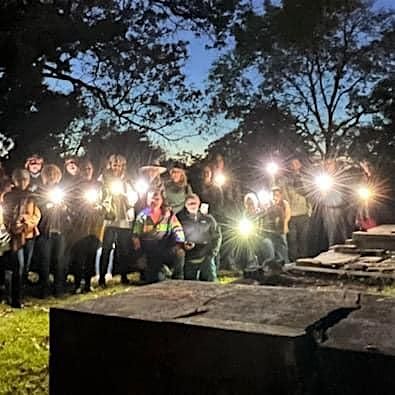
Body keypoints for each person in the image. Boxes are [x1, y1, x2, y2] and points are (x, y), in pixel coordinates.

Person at [3, 169, 41, 307]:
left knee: (25, 267)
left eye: (25, 179)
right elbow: (6, 216)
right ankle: (14, 299)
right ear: (15, 180)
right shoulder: (9, 197)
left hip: (29, 234)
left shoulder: (32, 197)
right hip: (15, 236)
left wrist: (27, 222)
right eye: (20, 179)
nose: (22, 182)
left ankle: (20, 295)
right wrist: (15, 225)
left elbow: (37, 215)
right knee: (18, 266)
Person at [98, 154, 137, 287]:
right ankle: (102, 277)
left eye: (120, 165)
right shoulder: (103, 178)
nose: (117, 168)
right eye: (115, 165)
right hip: (110, 219)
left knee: (123, 249)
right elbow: (99, 195)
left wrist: (125, 196)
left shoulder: (128, 180)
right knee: (106, 248)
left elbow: (135, 197)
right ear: (110, 165)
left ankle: (123, 275)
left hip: (124, 219)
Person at [68, 160, 106, 293]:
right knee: (79, 257)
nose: (87, 171)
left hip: (94, 227)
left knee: (91, 256)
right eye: (84, 168)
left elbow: (105, 203)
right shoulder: (74, 186)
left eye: (89, 168)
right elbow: (70, 204)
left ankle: (88, 283)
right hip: (79, 228)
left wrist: (99, 207)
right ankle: (78, 283)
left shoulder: (98, 185)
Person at [132, 189, 185, 283]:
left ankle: (177, 278)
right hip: (148, 252)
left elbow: (178, 228)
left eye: (157, 199)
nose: (154, 201)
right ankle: (159, 271)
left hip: (164, 249)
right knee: (155, 279)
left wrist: (180, 242)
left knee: (180, 253)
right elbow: (135, 234)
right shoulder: (143, 215)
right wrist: (139, 252)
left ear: (162, 200)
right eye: (151, 199)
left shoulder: (168, 215)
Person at [35, 164, 69, 297]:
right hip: (45, 231)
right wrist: (46, 206)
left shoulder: (62, 191)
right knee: (45, 261)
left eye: (54, 174)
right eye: (49, 174)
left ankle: (58, 288)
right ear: (44, 176)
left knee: (59, 260)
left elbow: (68, 210)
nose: (52, 177)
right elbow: (37, 208)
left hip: (59, 230)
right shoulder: (39, 191)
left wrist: (64, 208)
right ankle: (44, 289)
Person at [177, 194, 221, 282]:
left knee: (210, 286)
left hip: (206, 258)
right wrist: (182, 245)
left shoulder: (208, 219)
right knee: (189, 287)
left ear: (199, 203)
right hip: (189, 259)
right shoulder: (180, 219)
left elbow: (217, 236)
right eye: (190, 203)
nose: (192, 205)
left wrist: (213, 252)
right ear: (185, 205)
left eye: (194, 203)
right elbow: (174, 235)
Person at [281, 158, 311, 261]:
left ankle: (304, 260)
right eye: (292, 164)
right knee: (292, 240)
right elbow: (285, 196)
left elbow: (309, 194)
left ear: (300, 165)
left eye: (297, 163)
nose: (295, 165)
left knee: (304, 239)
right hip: (292, 215)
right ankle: (294, 261)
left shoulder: (305, 179)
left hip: (303, 213)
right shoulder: (286, 181)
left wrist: (309, 211)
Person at [242, 192, 275, 269]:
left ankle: (270, 265)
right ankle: (252, 266)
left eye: (252, 203)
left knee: (267, 243)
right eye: (248, 204)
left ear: (256, 203)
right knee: (249, 245)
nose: (250, 206)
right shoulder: (245, 215)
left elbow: (267, 226)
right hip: (251, 237)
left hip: (263, 236)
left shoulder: (262, 212)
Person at [264, 187, 291, 264]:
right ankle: (279, 261)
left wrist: (285, 224)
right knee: (275, 245)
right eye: (273, 194)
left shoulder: (284, 203)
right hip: (272, 229)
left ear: (280, 195)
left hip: (281, 228)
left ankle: (286, 261)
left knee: (283, 244)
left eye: (277, 194)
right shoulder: (269, 204)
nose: (275, 196)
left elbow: (288, 214)